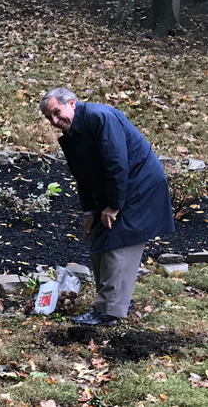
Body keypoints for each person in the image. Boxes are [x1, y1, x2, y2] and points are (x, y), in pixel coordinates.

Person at [39, 88, 174, 325]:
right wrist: (90, 212)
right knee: (98, 237)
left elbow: (117, 164)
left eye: (57, 113)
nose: (55, 121)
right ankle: (117, 300)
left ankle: (109, 311)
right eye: (50, 117)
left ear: (71, 102)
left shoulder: (100, 118)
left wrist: (114, 205)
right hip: (117, 185)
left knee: (118, 240)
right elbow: (83, 175)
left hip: (138, 183)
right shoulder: (73, 132)